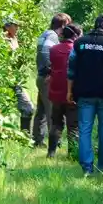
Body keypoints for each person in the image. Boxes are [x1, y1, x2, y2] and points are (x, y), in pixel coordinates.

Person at [67, 15, 103, 176]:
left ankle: (87, 167)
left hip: (84, 94)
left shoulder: (79, 43)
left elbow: (71, 69)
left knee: (85, 129)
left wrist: (69, 91)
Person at [41, 24, 82, 159]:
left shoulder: (53, 49)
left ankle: (51, 152)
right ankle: (72, 154)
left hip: (56, 90)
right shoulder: (77, 50)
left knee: (56, 123)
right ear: (76, 36)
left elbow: (53, 67)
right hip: (72, 91)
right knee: (73, 125)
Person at [33, 13, 71, 147]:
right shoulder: (52, 36)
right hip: (46, 78)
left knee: (41, 110)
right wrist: (51, 71)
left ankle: (37, 139)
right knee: (51, 112)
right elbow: (45, 53)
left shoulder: (45, 33)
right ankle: (54, 143)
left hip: (40, 76)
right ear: (63, 25)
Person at [3, 19, 34, 134]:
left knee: (28, 109)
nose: (17, 28)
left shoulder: (14, 38)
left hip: (15, 79)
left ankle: (24, 137)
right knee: (27, 108)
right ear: (7, 27)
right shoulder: (2, 40)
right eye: (15, 25)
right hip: (6, 79)